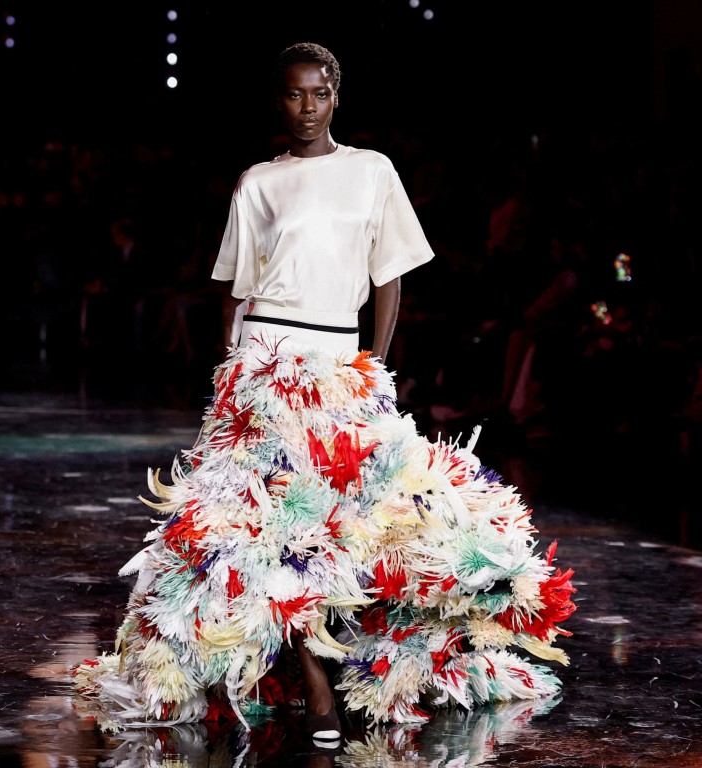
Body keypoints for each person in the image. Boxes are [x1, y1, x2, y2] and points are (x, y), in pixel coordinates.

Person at [72, 42, 577, 749]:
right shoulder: (257, 184)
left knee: (365, 524)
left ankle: (360, 666)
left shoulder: (373, 172)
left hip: (341, 359)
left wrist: (376, 363)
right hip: (267, 362)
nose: (305, 107)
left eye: (318, 93)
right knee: (273, 534)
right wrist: (231, 378)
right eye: (291, 95)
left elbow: (390, 276)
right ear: (277, 101)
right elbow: (236, 293)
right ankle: (315, 688)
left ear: (337, 94)